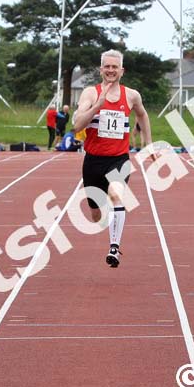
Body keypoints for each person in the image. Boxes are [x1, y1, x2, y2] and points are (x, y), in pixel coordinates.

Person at [72, 50, 154, 267]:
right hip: (93, 161)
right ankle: (101, 213)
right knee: (96, 214)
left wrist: (148, 143)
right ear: (101, 70)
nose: (110, 70)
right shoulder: (90, 93)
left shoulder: (132, 96)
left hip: (118, 159)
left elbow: (143, 115)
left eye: (114, 67)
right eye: (106, 66)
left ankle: (114, 248)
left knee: (116, 196)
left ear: (121, 71)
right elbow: (77, 125)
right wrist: (97, 107)